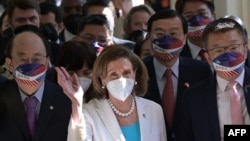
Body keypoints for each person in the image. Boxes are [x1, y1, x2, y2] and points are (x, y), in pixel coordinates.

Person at [55, 45, 167, 141]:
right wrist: (76, 104)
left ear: (135, 74)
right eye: (114, 74)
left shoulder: (154, 109)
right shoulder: (88, 112)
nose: (121, 80)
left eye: (127, 72)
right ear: (103, 79)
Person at [175, 17, 250, 141]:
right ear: (208, 57)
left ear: (245, 51)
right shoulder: (192, 98)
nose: (227, 55)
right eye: (218, 50)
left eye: (234, 47)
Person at [143, 9, 212, 141]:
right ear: (150, 37)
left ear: (185, 38)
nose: (167, 39)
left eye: (173, 33)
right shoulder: (138, 71)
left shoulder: (200, 71)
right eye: (159, 34)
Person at [0, 30, 71, 140]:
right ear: (10, 64)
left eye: (37, 59)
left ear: (47, 63)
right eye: (22, 59)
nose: (30, 65)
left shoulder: (65, 99)